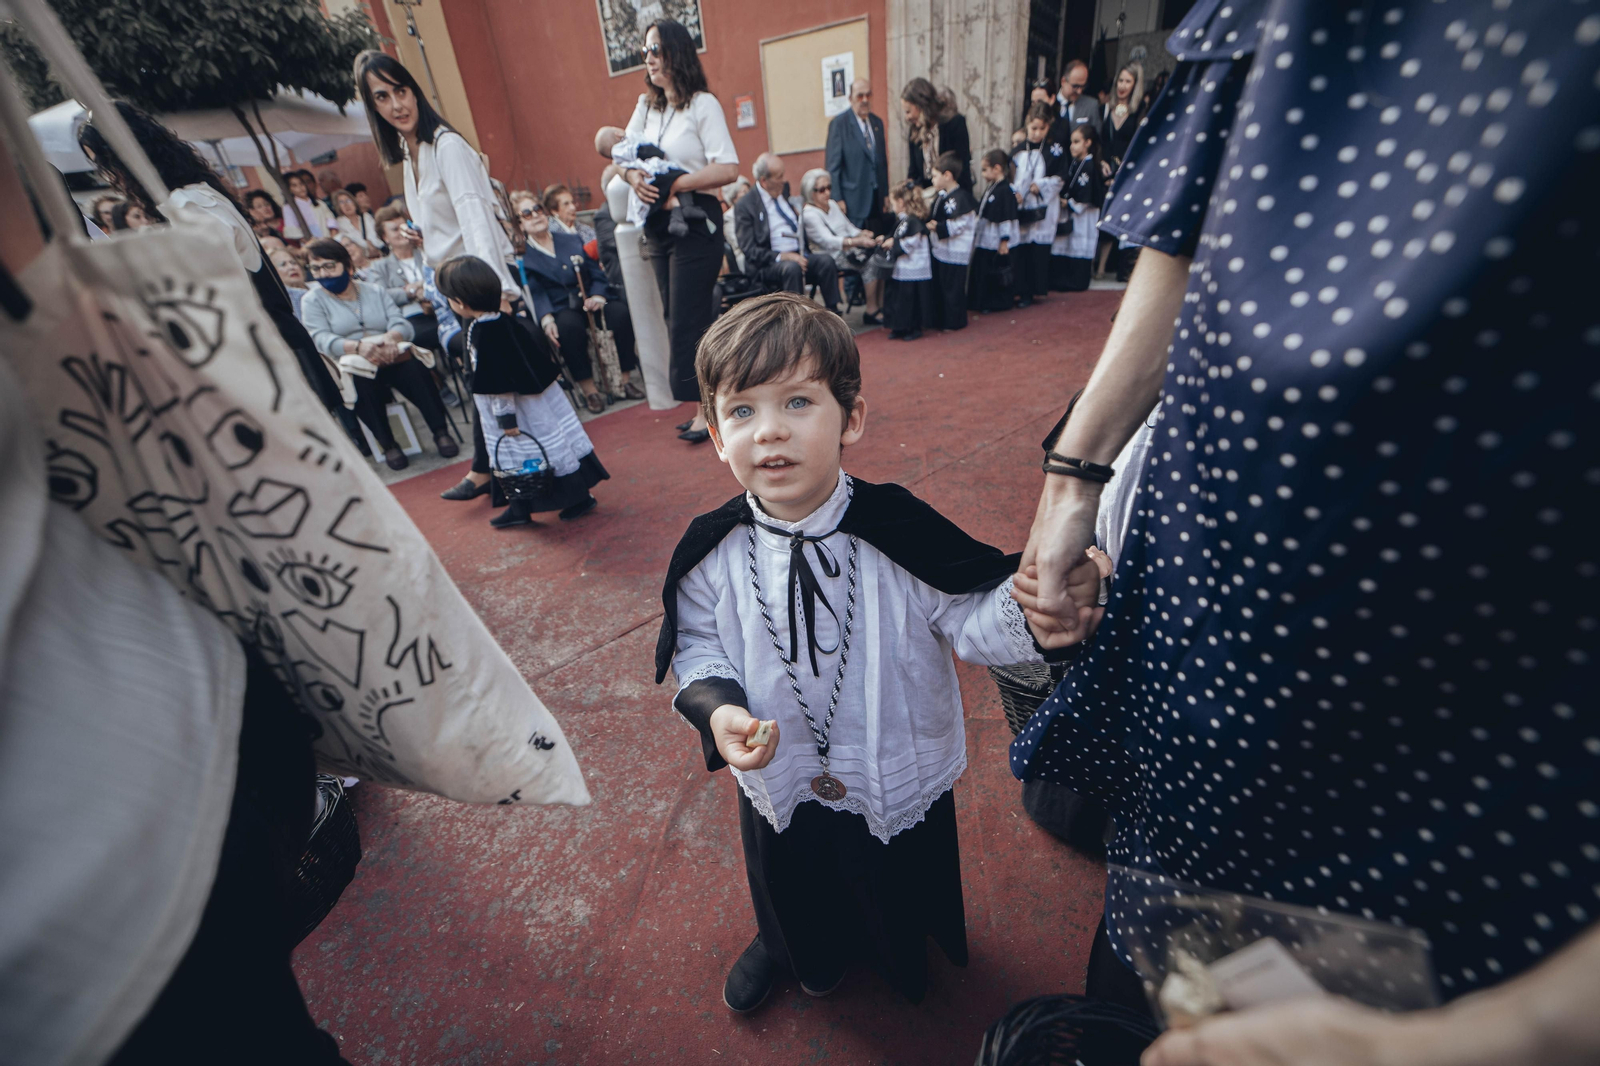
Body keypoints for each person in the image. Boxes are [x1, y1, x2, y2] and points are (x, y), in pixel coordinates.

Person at [1010, 2, 1600, 1061]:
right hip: (1209, 602)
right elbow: (1196, 216)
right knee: (1160, 961)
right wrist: (1075, 475)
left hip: (1493, 701)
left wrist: (1519, 1030)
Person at [657, 292, 1071, 1013]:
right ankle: (789, 945)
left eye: (797, 402)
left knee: (893, 874)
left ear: (851, 418)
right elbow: (696, 646)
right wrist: (719, 713)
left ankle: (900, 949)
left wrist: (1040, 601)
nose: (769, 433)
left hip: (888, 752)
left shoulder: (897, 528)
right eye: (742, 412)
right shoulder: (711, 552)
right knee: (787, 866)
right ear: (717, 436)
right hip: (778, 760)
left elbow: (973, 615)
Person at [78, 102, 361, 450]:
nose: (110, 178)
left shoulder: (188, 203)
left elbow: (215, 289)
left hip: (267, 349)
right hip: (266, 345)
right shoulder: (190, 195)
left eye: (106, 164)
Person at [620, 18, 739, 444]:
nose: (648, 59)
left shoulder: (702, 104)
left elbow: (728, 168)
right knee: (676, 315)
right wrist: (632, 176)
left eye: (656, 50)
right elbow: (623, 153)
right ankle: (713, 400)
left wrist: (676, 183)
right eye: (644, 52)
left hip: (696, 218)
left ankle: (704, 410)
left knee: (687, 319)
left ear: (676, 52)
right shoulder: (645, 106)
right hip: (657, 223)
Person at [436, 255, 609, 526]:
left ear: (460, 302)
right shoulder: (502, 321)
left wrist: (506, 419)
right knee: (540, 449)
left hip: (517, 409)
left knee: (519, 454)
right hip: (536, 400)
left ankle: (545, 504)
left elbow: (499, 382)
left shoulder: (487, 331)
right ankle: (533, 505)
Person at [355, 50, 520, 304]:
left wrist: (496, 295)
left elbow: (476, 220)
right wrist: (426, 237)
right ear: (373, 107)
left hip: (484, 284)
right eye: (382, 97)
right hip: (455, 285)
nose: (397, 105)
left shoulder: (447, 146)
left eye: (400, 91)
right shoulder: (411, 154)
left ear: (414, 92)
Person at [299, 237, 456, 470]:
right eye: (316, 268)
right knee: (362, 382)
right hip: (355, 361)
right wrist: (358, 347)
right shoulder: (312, 301)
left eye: (329, 266)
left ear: (347, 266)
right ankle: (388, 444)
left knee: (415, 369)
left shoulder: (374, 291)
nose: (323, 274)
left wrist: (392, 338)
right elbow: (320, 338)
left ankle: (440, 431)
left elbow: (401, 323)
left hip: (391, 353)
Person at [515, 191, 643, 413]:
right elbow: (536, 293)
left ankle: (623, 381)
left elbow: (595, 274)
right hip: (562, 306)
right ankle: (589, 390)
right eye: (527, 214)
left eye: (537, 210)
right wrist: (546, 319)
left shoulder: (570, 239)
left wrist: (598, 296)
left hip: (589, 299)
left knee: (619, 313)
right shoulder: (525, 256)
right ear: (520, 223)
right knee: (567, 328)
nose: (535, 216)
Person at [735, 152, 841, 318]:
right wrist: (783, 256)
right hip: (768, 263)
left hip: (799, 253)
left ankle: (834, 315)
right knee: (792, 268)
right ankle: (796, 321)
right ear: (764, 180)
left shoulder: (782, 191)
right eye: (779, 177)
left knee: (825, 261)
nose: (783, 180)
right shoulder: (746, 205)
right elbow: (749, 249)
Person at [595, 124, 705, 236]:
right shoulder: (625, 147)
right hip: (653, 176)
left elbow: (619, 163)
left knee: (670, 198)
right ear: (617, 134)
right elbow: (644, 151)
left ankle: (677, 220)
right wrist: (657, 152)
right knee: (680, 175)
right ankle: (687, 207)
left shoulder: (618, 156)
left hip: (646, 188)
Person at [799, 167, 880, 318]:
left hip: (849, 250)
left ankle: (880, 305)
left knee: (881, 254)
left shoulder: (833, 205)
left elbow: (848, 227)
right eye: (821, 190)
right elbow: (827, 241)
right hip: (831, 256)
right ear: (811, 192)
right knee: (872, 262)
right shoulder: (809, 214)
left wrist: (863, 234)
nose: (827, 193)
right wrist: (857, 241)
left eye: (829, 187)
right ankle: (872, 310)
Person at [1010, 102, 1064, 307]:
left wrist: (1041, 185)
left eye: (1042, 128)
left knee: (1036, 250)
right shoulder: (1017, 151)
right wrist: (1014, 193)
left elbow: (1060, 178)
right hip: (1022, 206)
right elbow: (1009, 178)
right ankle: (1019, 290)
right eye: (1033, 128)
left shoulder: (1054, 151)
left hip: (1042, 207)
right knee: (1022, 248)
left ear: (1048, 127)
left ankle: (1033, 291)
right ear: (1027, 126)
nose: (1037, 133)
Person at [824, 77, 890, 235]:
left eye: (868, 95)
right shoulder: (839, 125)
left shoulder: (877, 123)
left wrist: (885, 193)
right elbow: (832, 167)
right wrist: (837, 198)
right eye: (860, 96)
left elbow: (882, 162)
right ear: (850, 99)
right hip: (853, 201)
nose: (865, 100)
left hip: (876, 200)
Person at [1049, 123, 1105, 292]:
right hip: (1071, 212)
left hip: (1084, 214)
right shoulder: (1075, 163)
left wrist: (1070, 203)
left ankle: (1077, 281)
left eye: (1076, 142)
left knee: (1079, 242)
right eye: (1072, 142)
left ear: (1087, 143)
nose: (1072, 146)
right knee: (1066, 243)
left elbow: (1088, 194)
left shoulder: (1091, 165)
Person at [926, 152, 976, 332]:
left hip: (956, 250)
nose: (932, 180)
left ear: (947, 175)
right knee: (942, 286)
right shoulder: (941, 195)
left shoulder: (961, 197)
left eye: (934, 176)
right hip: (942, 248)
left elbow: (962, 224)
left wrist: (938, 227)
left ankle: (955, 321)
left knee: (953, 288)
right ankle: (941, 319)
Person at [881, 180, 933, 341]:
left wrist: (894, 243)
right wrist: (885, 239)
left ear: (901, 202)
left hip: (913, 267)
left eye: (893, 202)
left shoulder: (913, 221)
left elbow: (911, 242)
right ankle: (898, 326)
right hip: (902, 268)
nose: (891, 206)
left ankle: (912, 327)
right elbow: (895, 235)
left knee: (910, 301)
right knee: (899, 299)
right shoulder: (903, 220)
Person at [967, 149, 1018, 313]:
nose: (982, 174)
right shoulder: (993, 187)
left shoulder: (1005, 190)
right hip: (985, 237)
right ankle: (979, 302)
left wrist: (1004, 240)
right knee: (981, 270)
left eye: (984, 169)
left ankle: (993, 302)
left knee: (992, 271)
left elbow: (1005, 217)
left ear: (996, 169)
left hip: (994, 238)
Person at [901, 77, 972, 191]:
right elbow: (913, 172)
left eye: (908, 111)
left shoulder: (954, 123)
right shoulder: (914, 131)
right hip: (926, 199)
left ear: (921, 105)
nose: (907, 117)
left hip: (953, 196)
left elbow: (962, 168)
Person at [1099, 62, 1145, 175]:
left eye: (1128, 81)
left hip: (1126, 174)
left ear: (1135, 85)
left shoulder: (1140, 112)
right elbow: (1097, 141)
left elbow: (1141, 145)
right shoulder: (1105, 109)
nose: (1122, 86)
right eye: (1120, 80)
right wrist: (1100, 162)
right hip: (1103, 173)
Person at [1049, 59, 1100, 145]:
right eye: (1075, 86)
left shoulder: (1091, 105)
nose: (1079, 91)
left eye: (1083, 86)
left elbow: (1096, 140)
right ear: (1063, 81)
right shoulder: (1050, 103)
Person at [280, 169, 335, 242]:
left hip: (330, 239)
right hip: (312, 244)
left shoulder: (319, 203)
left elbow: (331, 222)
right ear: (289, 189)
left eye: (301, 184)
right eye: (294, 185)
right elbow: (294, 230)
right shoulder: (288, 208)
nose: (300, 188)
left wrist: (332, 238)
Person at [330, 187, 382, 256]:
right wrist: (367, 245)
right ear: (338, 207)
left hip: (379, 253)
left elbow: (377, 235)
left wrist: (373, 245)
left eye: (348, 200)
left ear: (354, 202)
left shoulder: (366, 217)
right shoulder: (340, 224)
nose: (346, 205)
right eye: (341, 202)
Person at [270, 246, 310, 316]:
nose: (291, 267)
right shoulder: (281, 302)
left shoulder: (318, 286)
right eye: (283, 265)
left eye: (293, 262)